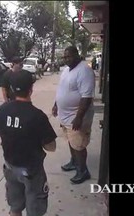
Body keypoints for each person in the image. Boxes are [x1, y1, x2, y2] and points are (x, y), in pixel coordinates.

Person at [0, 70, 57, 216]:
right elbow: (51, 147)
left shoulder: (2, 110)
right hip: (32, 171)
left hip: (10, 167)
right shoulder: (37, 116)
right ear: (31, 89)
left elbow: (0, 132)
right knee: (34, 210)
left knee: (15, 207)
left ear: (11, 89)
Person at [52, 46, 95, 184]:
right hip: (65, 116)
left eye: (69, 56)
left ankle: (83, 171)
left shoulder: (84, 71)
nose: (66, 59)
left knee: (79, 145)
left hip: (76, 116)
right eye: (64, 57)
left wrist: (79, 117)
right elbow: (62, 89)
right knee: (71, 141)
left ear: (77, 55)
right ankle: (74, 162)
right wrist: (56, 104)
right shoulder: (65, 70)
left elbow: (86, 97)